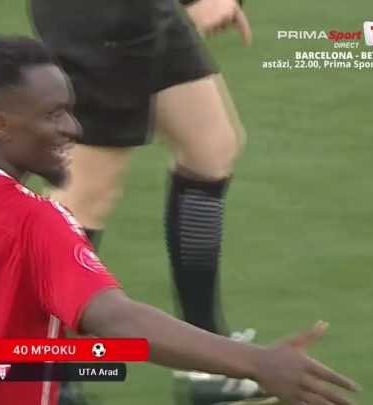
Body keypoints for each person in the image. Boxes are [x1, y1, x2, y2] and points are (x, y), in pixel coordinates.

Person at [0, 36, 359, 405]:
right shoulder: (34, 222)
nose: (73, 129)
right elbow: (117, 320)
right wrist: (256, 363)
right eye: (54, 115)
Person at [28, 0, 256, 402]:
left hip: (144, 12)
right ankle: (45, 381)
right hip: (100, 18)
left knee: (210, 147)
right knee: (84, 195)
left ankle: (205, 361)